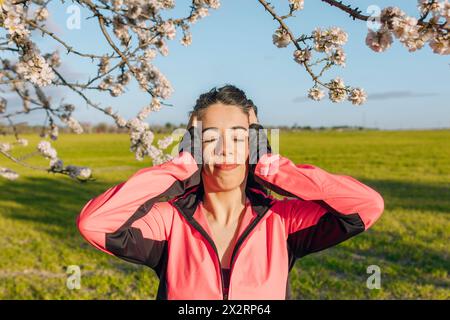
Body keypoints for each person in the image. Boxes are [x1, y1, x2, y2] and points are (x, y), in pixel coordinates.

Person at [76, 84, 384, 300]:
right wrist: (180, 169)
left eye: (238, 138)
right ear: (194, 145)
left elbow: (366, 205)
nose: (225, 151)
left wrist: (271, 167)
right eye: (211, 139)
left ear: (255, 143)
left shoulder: (281, 221)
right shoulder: (169, 223)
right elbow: (95, 223)